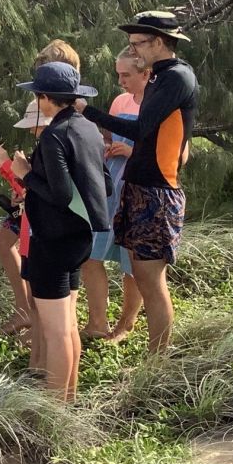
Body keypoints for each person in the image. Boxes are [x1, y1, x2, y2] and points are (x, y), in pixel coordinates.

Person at [76, 11, 198, 354]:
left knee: (151, 281)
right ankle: (153, 356)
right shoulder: (162, 76)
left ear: (158, 42)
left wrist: (87, 110)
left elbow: (141, 129)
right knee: (142, 276)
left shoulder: (176, 78)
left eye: (137, 43)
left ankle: (158, 363)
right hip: (140, 187)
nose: (133, 49)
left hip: (157, 193)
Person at [10, 62, 110, 402]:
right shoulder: (89, 129)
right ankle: (67, 400)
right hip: (80, 238)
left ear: (44, 98)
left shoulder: (55, 135)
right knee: (66, 326)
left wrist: (23, 172)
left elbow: (61, 193)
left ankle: (54, 411)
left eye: (37, 95)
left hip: (52, 240)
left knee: (55, 332)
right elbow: (105, 184)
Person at [79, 48, 148, 342]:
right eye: (117, 74)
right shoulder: (120, 102)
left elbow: (177, 154)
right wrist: (105, 143)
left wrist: (133, 152)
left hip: (139, 189)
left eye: (126, 75)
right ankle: (97, 321)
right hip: (110, 185)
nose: (120, 81)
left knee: (131, 261)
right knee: (91, 253)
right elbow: (110, 135)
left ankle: (126, 323)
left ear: (146, 74)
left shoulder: (159, 104)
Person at [0, 99, 48, 336]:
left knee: (31, 256)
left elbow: (38, 185)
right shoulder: (44, 140)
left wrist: (8, 167)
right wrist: (10, 175)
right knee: (2, 242)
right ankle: (26, 311)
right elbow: (27, 180)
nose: (31, 129)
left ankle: (37, 318)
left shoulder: (56, 139)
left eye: (35, 124)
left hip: (41, 210)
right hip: (27, 204)